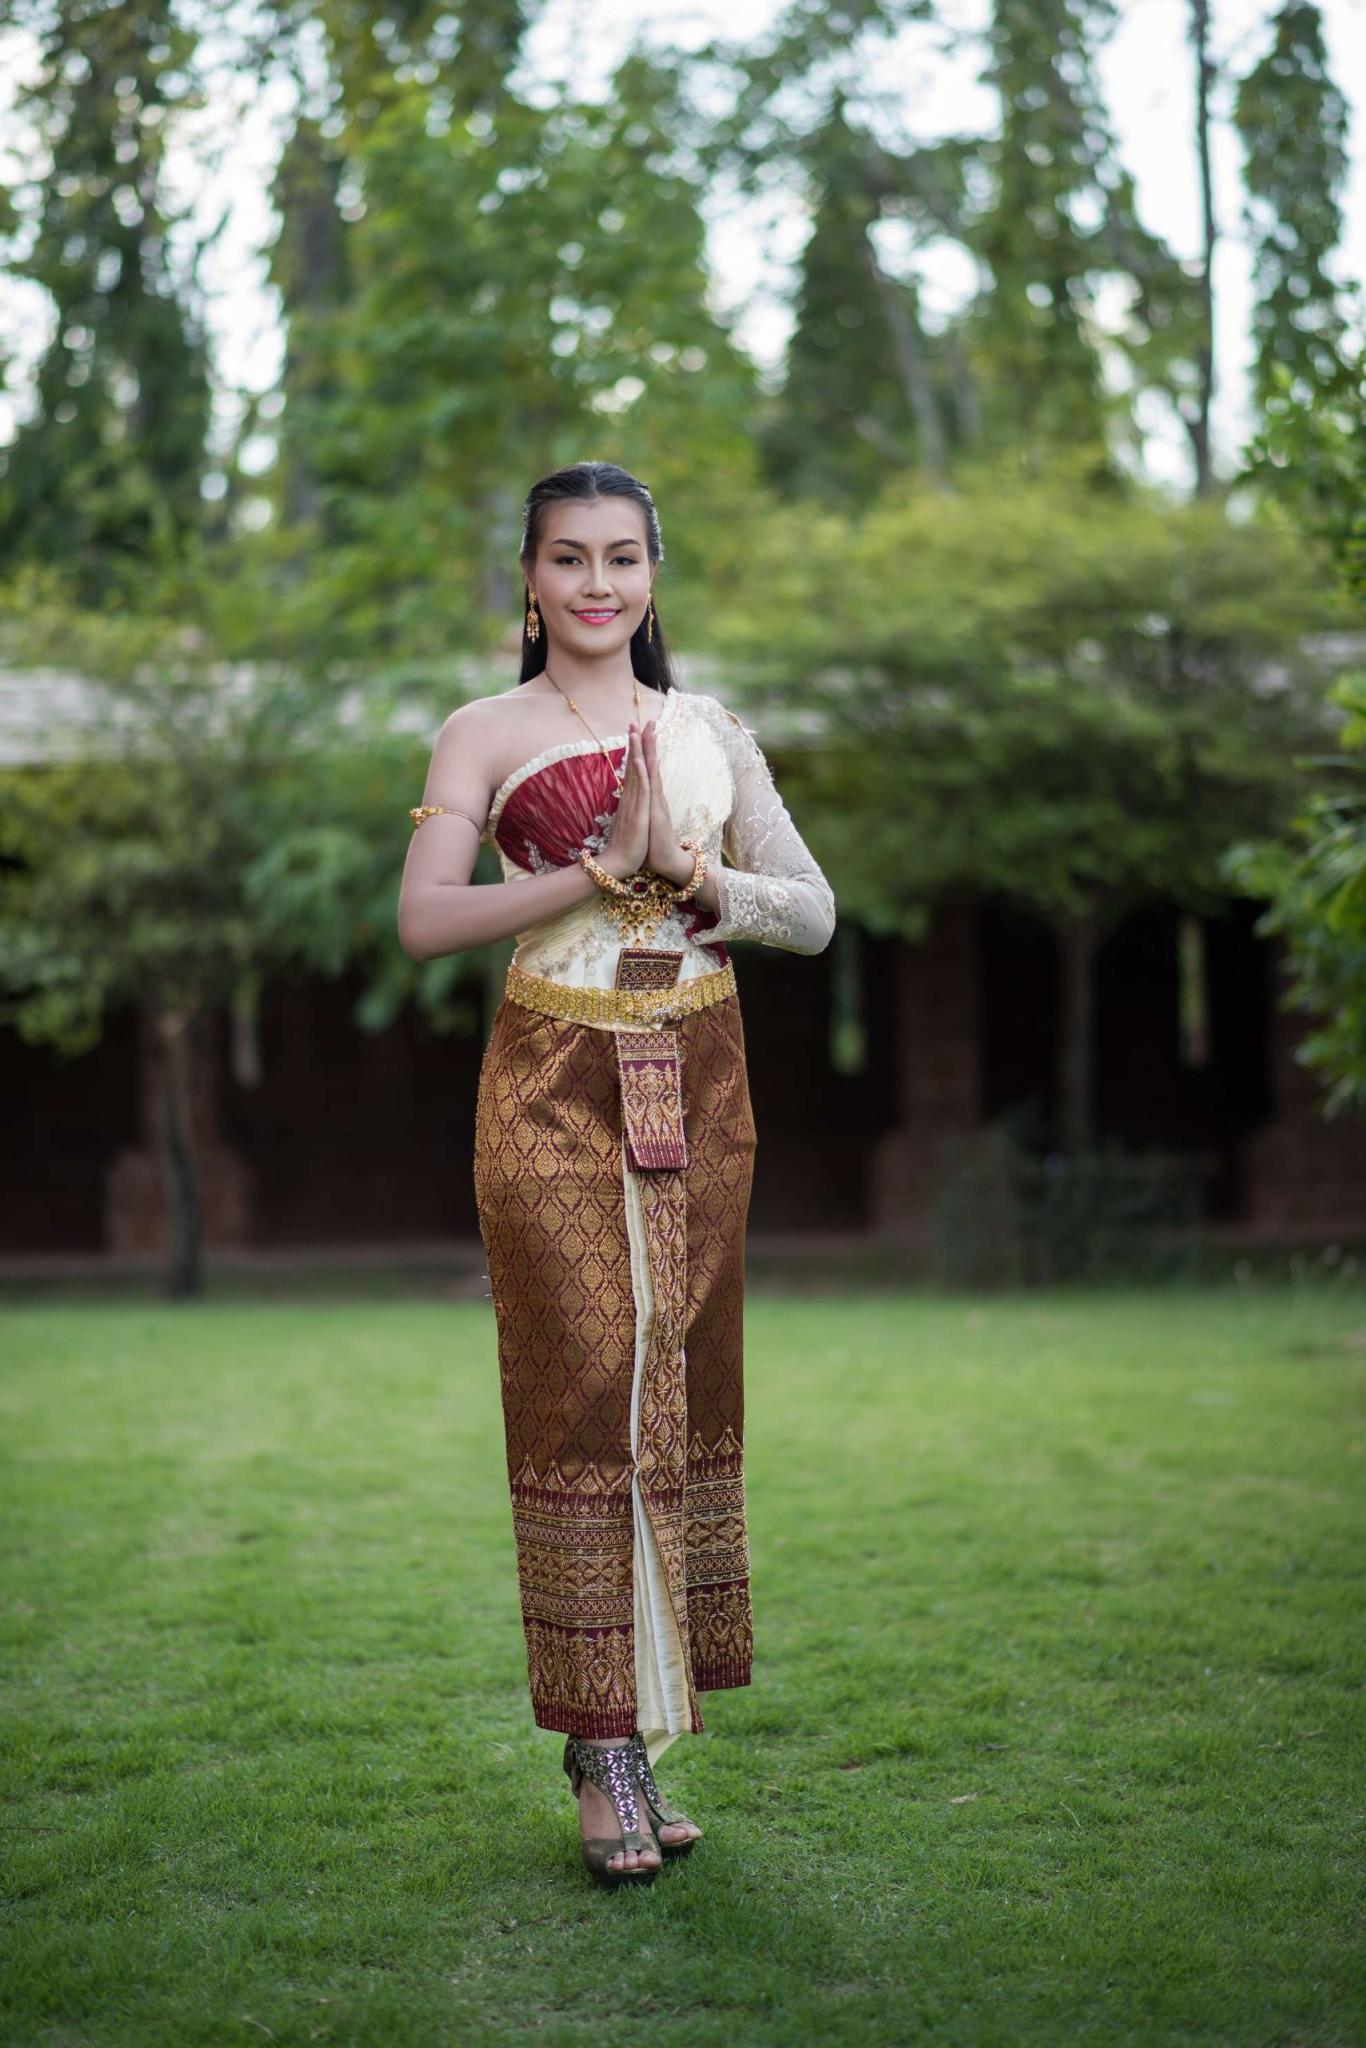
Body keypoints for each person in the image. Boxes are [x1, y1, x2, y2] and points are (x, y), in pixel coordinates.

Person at [397, 460, 835, 1887]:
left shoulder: (706, 730)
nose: (597, 586)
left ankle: (645, 1733)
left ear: (655, 574)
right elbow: (425, 921)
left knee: (678, 1385)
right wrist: (590, 874)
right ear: (525, 579)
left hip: (700, 1076)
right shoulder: (483, 730)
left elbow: (813, 914)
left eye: (623, 559)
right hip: (550, 1082)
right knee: (586, 1384)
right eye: (568, 559)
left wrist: (698, 882)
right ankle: (599, 1754)